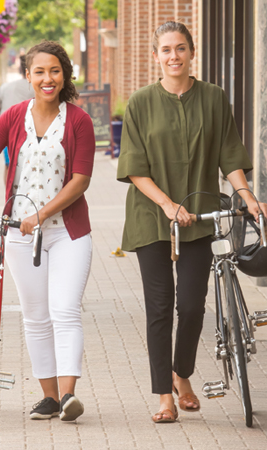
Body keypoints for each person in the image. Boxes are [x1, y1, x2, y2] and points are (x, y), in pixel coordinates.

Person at [117, 21, 267, 423]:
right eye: (166, 50)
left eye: (180, 48)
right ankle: (164, 395)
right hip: (152, 216)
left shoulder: (215, 99)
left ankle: (182, 374)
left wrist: (250, 198)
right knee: (160, 307)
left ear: (191, 52)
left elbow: (230, 156)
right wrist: (167, 204)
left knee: (192, 306)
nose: (174, 56)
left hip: (199, 216)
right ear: (156, 57)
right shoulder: (140, 103)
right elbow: (134, 168)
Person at [0, 41, 96, 422]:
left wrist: (41, 216)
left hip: (67, 233)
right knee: (36, 315)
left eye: (54, 71)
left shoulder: (79, 121)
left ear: (64, 75)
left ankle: (69, 395)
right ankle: (49, 397)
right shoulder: (13, 116)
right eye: (39, 72)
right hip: (19, 234)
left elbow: (81, 181)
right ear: (28, 76)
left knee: (64, 309)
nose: (47, 79)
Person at [0, 55, 35, 182]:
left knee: (9, 166)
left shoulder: (5, 87)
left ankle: (10, 197)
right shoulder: (36, 89)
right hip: (30, 132)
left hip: (8, 133)